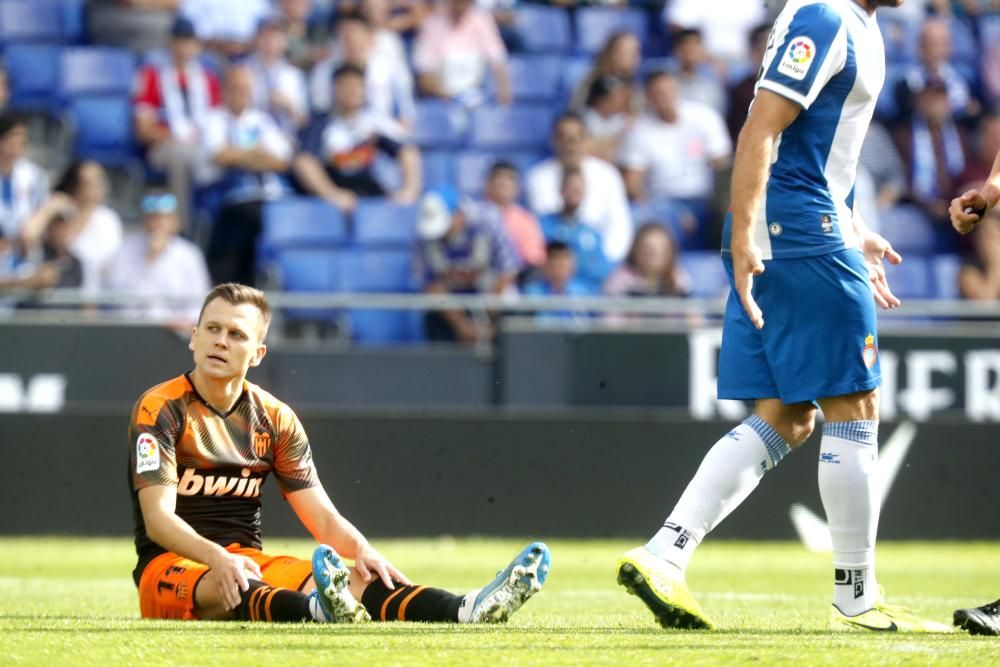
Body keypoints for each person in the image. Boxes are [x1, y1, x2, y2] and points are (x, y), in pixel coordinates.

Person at [616, 0, 953, 634]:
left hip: (799, 223)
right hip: (794, 228)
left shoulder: (854, 24)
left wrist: (854, 227)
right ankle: (857, 595)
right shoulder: (826, 19)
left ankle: (664, 553)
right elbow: (760, 129)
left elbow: (816, 149)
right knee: (854, 405)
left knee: (786, 416)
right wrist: (751, 230)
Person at [129, 282, 550, 623]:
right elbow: (158, 520)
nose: (221, 341)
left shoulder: (275, 418)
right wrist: (217, 559)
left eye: (236, 334)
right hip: (171, 567)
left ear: (257, 354)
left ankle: (465, 609)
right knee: (238, 584)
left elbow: (322, 517)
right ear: (194, 337)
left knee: (356, 580)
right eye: (213, 329)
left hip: (248, 560)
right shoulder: (160, 408)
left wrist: (362, 550)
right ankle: (317, 610)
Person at [202, 65, 294, 286]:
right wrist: (257, 153)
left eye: (244, 89)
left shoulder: (262, 120)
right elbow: (220, 156)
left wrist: (242, 155)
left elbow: (282, 161)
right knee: (250, 217)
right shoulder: (214, 119)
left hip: (272, 194)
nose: (239, 94)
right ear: (225, 91)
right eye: (234, 88)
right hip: (232, 195)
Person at [294, 64, 421, 212]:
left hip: (367, 193)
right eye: (346, 86)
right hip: (331, 197)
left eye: (358, 86)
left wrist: (409, 191)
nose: (353, 92)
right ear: (334, 89)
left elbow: (407, 152)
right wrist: (332, 194)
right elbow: (304, 162)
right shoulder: (319, 124)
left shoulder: (374, 122)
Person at [132, 16, 221, 229]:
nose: (185, 48)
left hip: (201, 144)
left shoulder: (207, 79)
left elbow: (218, 122)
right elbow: (143, 129)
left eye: (190, 42)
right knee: (181, 157)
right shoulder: (152, 76)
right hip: (163, 147)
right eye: (180, 41)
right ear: (171, 43)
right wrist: (174, 137)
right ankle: (180, 227)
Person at [619, 69, 732, 234]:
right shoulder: (639, 131)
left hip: (704, 196)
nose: (663, 97)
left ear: (676, 89)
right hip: (662, 201)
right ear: (648, 97)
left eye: (667, 90)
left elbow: (722, 163)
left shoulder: (704, 117)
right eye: (657, 93)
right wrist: (665, 209)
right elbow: (632, 182)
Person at [416, 186, 520, 343]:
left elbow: (508, 269)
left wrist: (487, 316)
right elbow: (431, 285)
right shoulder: (425, 235)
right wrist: (460, 323)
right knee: (433, 313)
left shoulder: (488, 220)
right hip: (452, 302)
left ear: (458, 214)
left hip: (492, 294)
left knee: (512, 304)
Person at [526, 112, 633, 263]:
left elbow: (619, 225)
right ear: (554, 141)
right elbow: (546, 224)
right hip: (556, 259)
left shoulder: (608, 174)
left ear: (586, 140)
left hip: (598, 259)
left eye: (575, 139)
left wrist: (607, 262)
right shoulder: (538, 177)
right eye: (563, 138)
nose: (570, 146)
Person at [103, 191, 211, 326]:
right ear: (144, 220)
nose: (159, 223)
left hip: (176, 331)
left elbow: (199, 301)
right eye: (153, 218)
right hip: (134, 327)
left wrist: (182, 321)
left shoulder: (189, 254)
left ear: (175, 221)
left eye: (165, 218)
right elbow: (118, 299)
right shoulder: (125, 251)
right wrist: (149, 259)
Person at [18, 161, 123, 295]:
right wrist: (49, 208)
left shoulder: (108, 220)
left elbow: (111, 268)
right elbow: (28, 236)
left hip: (89, 298)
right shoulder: (56, 213)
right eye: (88, 182)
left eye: (100, 180)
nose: (98, 186)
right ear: (75, 185)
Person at [309, 11, 416, 126]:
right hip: (338, 130)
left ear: (370, 36)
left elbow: (406, 115)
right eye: (344, 35)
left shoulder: (391, 69)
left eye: (355, 34)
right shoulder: (324, 70)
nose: (351, 40)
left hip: (382, 130)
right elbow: (320, 109)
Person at [412, 0, 512, 106]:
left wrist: (504, 104)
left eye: (464, 2)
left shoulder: (482, 19)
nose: (460, 6)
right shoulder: (431, 23)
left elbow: (498, 61)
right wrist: (451, 98)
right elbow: (424, 76)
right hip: (441, 101)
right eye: (456, 2)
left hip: (476, 98)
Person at [538, 168, 613, 293]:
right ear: (561, 190)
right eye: (571, 188)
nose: (574, 193)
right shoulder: (543, 225)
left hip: (584, 295)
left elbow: (602, 268)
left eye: (578, 189)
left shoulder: (592, 233)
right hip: (548, 292)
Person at [244, 14, 309, 133]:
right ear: (256, 39)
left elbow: (303, 121)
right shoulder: (243, 71)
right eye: (265, 37)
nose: (270, 43)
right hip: (251, 135)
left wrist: (289, 106)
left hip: (286, 136)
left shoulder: (294, 75)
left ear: (284, 42)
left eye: (275, 38)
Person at [483, 160, 545, 269]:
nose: (503, 183)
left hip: (518, 275)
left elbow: (535, 259)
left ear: (517, 188)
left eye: (509, 179)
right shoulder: (474, 215)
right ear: (487, 185)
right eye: (498, 178)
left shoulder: (525, 219)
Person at [604, 223, 689, 298]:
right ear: (635, 250)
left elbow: (688, 308)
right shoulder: (620, 281)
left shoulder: (678, 279)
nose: (654, 254)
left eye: (660, 249)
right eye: (647, 249)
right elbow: (612, 309)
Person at [0, 113, 48, 240]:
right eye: (10, 141)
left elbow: (41, 209)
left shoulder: (34, 174)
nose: (15, 148)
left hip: (25, 243)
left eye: (21, 143)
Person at [572, 32, 641, 112]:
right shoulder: (591, 81)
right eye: (628, 51)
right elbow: (576, 110)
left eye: (636, 51)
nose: (635, 57)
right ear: (613, 53)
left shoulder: (635, 86)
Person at [671, 28, 727, 116]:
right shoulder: (667, 82)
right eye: (686, 45)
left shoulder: (712, 83)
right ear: (676, 50)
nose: (691, 50)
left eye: (696, 45)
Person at [580, 75, 633, 163]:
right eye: (617, 96)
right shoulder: (582, 118)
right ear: (601, 99)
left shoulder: (626, 121)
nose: (623, 100)